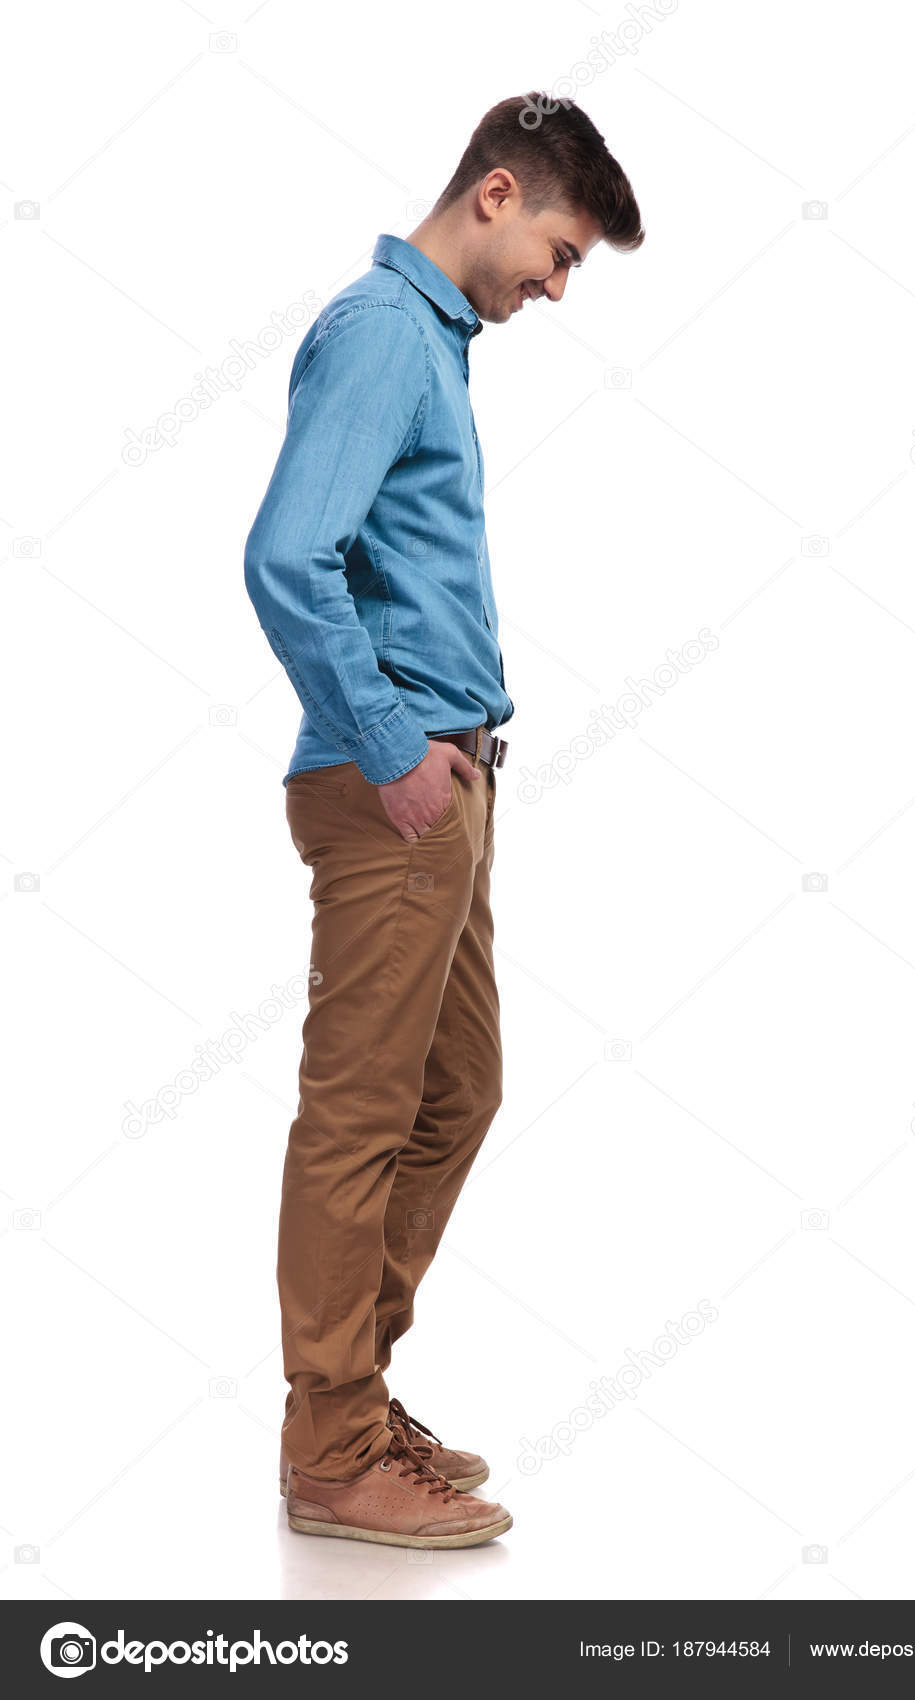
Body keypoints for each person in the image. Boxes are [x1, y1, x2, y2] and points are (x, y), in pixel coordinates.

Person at [243, 91, 643, 1550]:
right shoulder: (380, 332)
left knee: (456, 1092)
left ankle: (350, 1399)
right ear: (493, 194)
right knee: (360, 1116)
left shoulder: (432, 349)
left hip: (448, 781)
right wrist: (394, 741)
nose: (554, 283)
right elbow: (290, 553)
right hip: (393, 783)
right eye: (558, 248)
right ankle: (334, 1448)